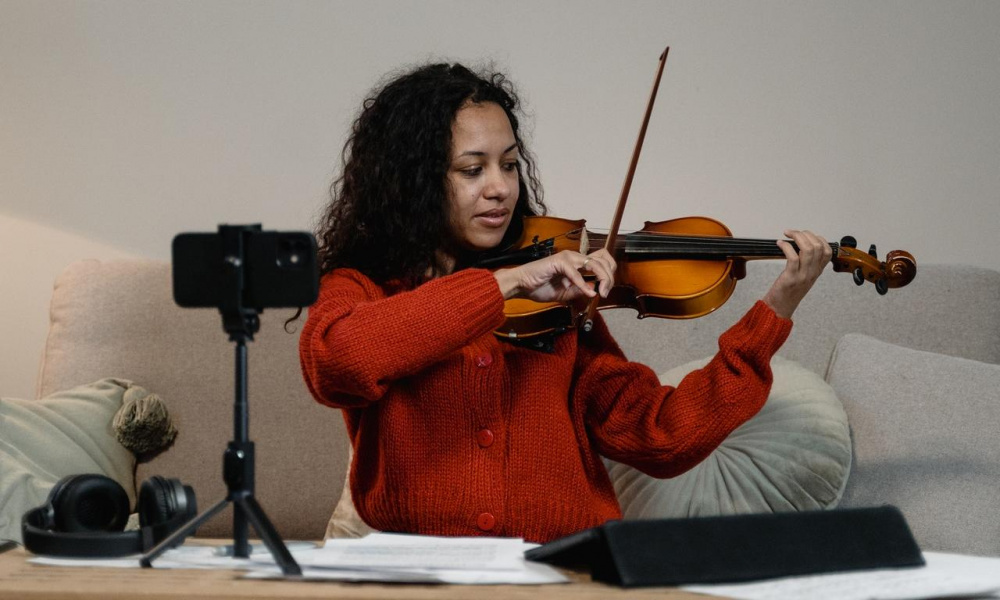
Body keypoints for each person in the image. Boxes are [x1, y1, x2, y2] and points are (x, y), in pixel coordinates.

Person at [298, 62, 831, 543]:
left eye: (509, 165)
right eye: (471, 169)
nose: (500, 188)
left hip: (559, 570)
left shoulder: (560, 309)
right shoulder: (361, 289)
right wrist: (504, 285)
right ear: (410, 181)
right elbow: (336, 363)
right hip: (423, 574)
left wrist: (774, 312)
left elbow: (660, 435)